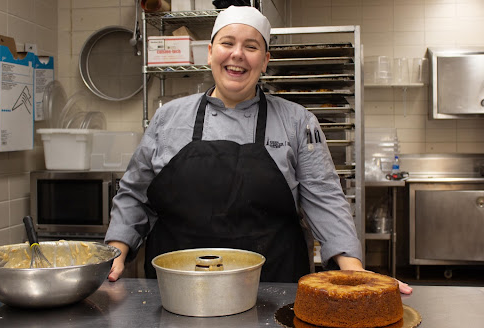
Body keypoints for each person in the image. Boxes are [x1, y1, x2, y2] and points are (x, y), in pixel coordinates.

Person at [105, 6, 412, 294]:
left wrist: (352, 267)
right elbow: (135, 193)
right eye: (227, 43)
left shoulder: (298, 122)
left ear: (265, 60)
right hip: (177, 285)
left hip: (271, 286)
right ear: (210, 53)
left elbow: (325, 197)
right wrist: (117, 253)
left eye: (251, 47)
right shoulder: (167, 118)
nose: (237, 55)